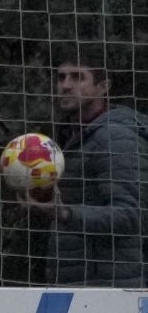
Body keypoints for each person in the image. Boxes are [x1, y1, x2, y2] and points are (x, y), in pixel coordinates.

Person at [17, 51, 147, 287]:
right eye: (61, 77)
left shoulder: (115, 137)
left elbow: (131, 216)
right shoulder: (70, 137)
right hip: (75, 281)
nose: (65, 86)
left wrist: (65, 213)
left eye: (78, 78)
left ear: (103, 87)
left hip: (110, 288)